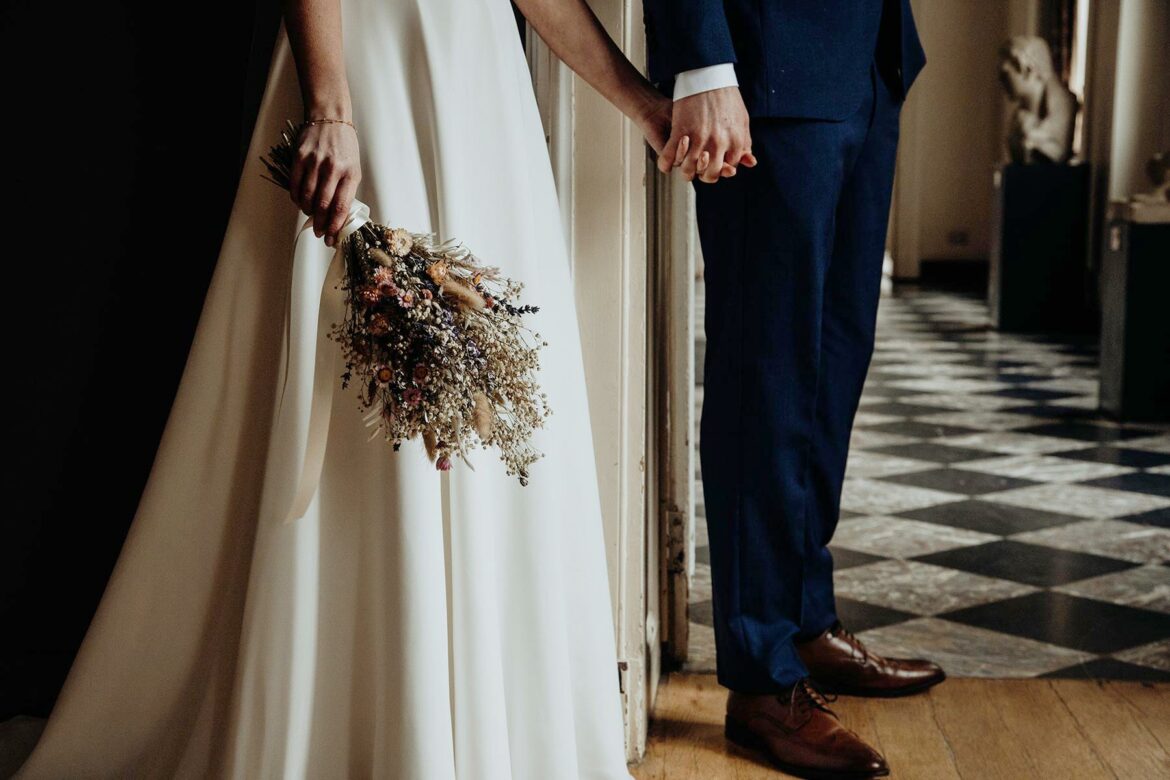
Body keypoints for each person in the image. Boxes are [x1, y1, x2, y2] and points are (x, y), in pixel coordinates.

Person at [14, 1, 671, 777]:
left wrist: (643, 104)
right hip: (368, 71)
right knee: (368, 392)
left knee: (484, 404)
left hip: (477, 82)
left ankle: (485, 735)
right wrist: (330, 102)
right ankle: (359, 726)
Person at [642, 1, 945, 778]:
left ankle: (805, 619)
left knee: (834, 364)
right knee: (766, 378)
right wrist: (703, 61)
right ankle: (764, 677)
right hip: (764, 66)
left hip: (870, 58)